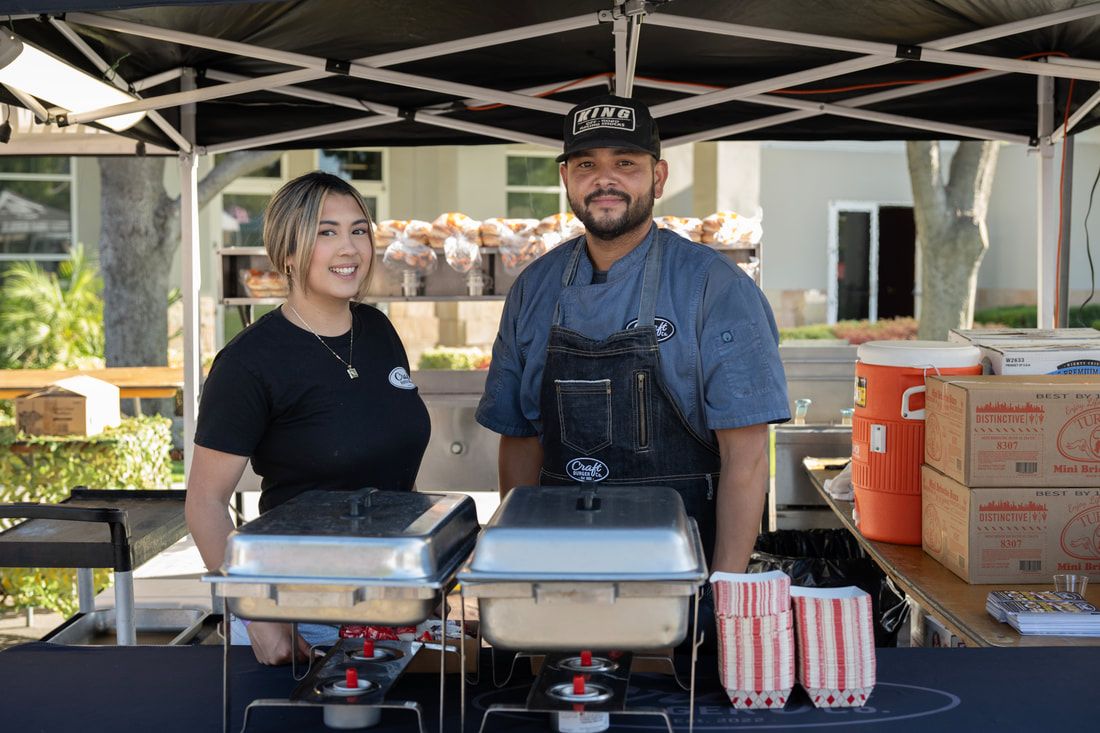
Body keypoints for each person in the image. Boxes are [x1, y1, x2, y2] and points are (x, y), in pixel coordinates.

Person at [476, 94, 790, 577]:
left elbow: (745, 457)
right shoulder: (533, 288)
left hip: (683, 571)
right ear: (565, 178)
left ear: (658, 178)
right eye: (586, 164)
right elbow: (519, 441)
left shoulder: (715, 288)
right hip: (560, 566)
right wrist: (519, 564)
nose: (605, 180)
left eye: (625, 163)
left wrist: (721, 588)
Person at [185, 171, 430, 665]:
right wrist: (258, 614)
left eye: (358, 230)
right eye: (326, 232)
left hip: (390, 600)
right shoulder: (249, 362)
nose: (349, 248)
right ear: (289, 252)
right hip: (302, 615)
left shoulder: (378, 330)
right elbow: (204, 504)